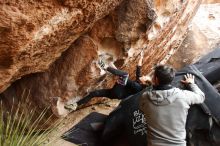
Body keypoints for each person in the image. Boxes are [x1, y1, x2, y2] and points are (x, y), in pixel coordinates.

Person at [52, 51, 151, 117]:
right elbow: (139, 69)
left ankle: (105, 67)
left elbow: (126, 80)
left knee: (125, 75)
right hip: (114, 94)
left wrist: (115, 71)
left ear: (144, 82)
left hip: (118, 92)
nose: (143, 75)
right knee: (94, 93)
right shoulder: (140, 82)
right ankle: (74, 105)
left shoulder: (138, 87)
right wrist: (141, 57)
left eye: (145, 77)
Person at [139, 65, 205, 146]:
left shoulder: (145, 97)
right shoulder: (183, 96)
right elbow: (201, 97)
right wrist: (191, 83)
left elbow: (142, 108)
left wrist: (148, 85)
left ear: (155, 79)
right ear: (172, 79)